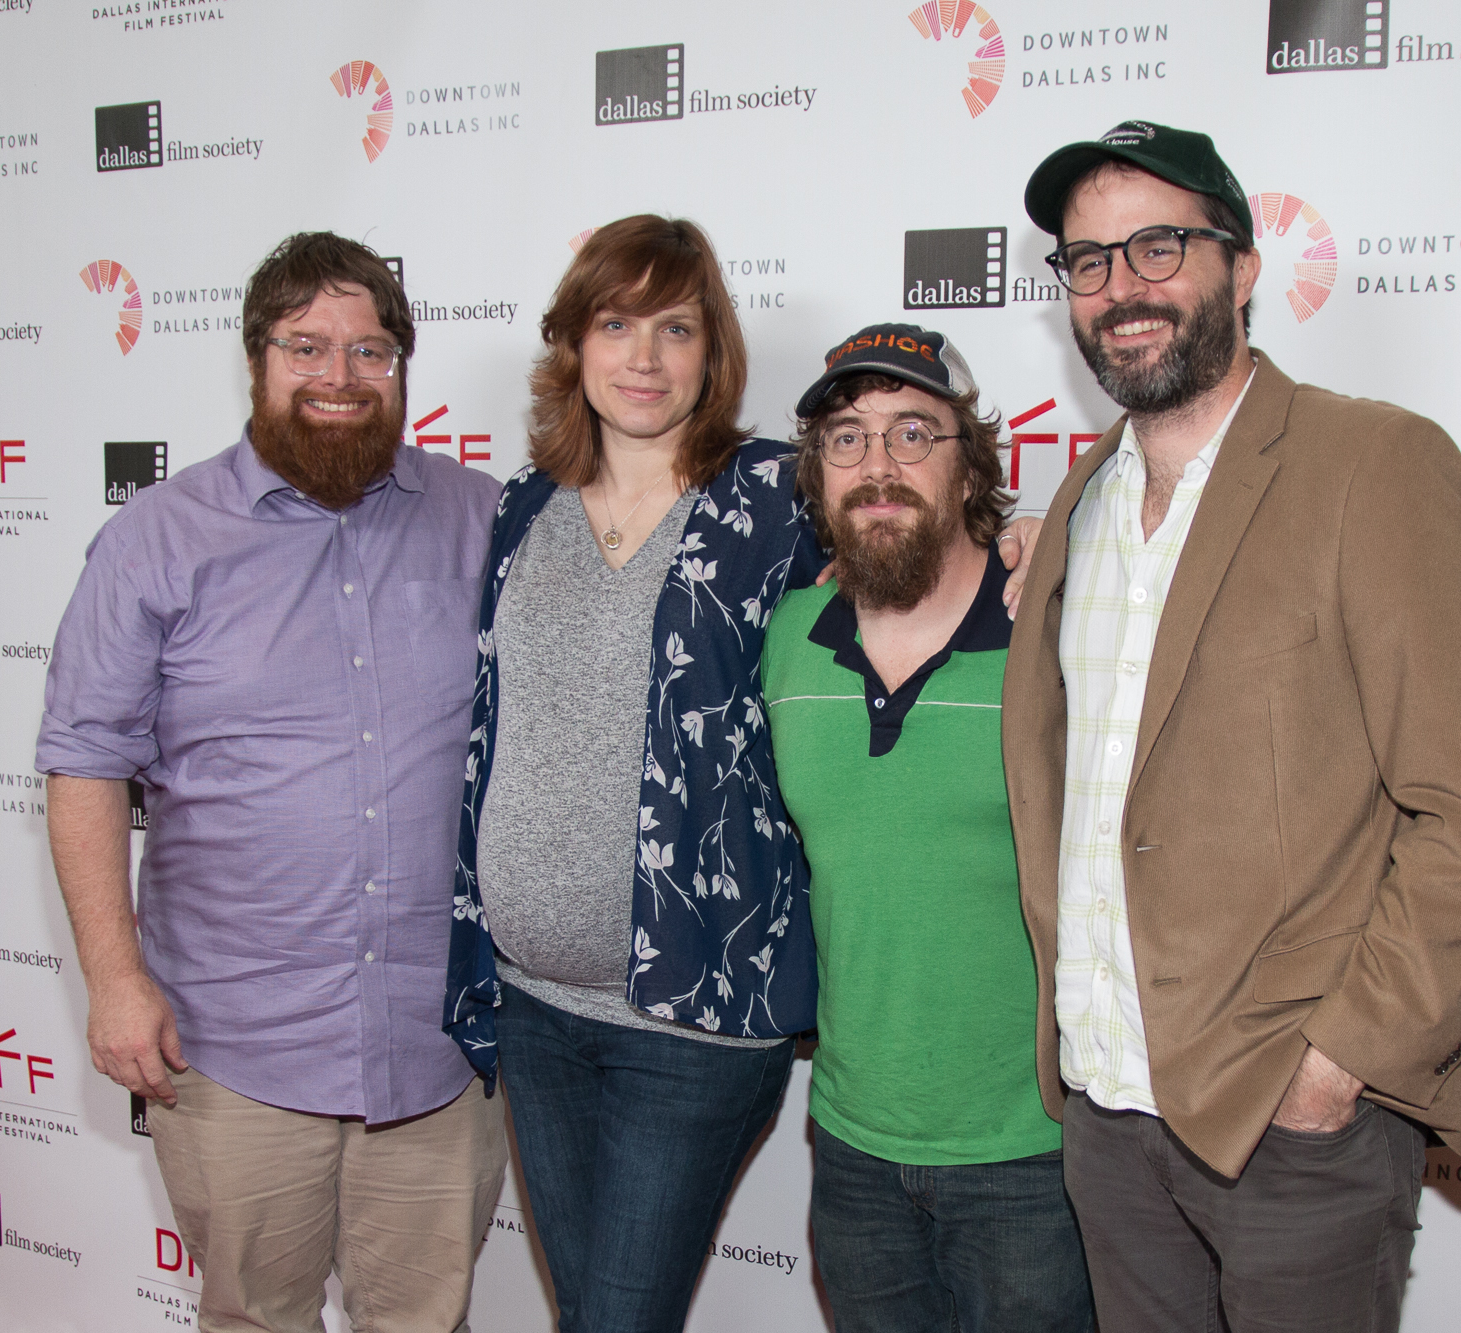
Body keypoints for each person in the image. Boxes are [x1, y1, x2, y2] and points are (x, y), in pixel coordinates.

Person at [440, 220, 1040, 1333]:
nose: (644, 357)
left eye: (676, 328)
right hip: (532, 1001)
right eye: (615, 324)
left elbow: (912, 547)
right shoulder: (523, 505)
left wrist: (1030, 535)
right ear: (572, 346)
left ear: (712, 353)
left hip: (693, 1009)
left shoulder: (777, 496)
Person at [1000, 121, 1461, 1331]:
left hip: (1287, 1124)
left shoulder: (1371, 463)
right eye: (1086, 261)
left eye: (1156, 246)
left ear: (1241, 267)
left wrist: (1338, 1059)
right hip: (1103, 1112)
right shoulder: (1077, 504)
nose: (1119, 288)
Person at [38, 232, 508, 1333]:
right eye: (307, 347)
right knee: (255, 1318)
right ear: (258, 359)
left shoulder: (484, 519)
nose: (339, 378)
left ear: (401, 365)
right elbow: (85, 763)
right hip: (233, 1041)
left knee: (426, 1320)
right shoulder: (157, 540)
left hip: (439, 1043)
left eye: (370, 351)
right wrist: (113, 981)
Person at [761, 324, 1093, 1333]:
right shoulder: (787, 639)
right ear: (816, 474)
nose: (879, 466)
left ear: (969, 466)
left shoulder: (1058, 628)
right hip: (851, 1149)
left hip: (1030, 1158)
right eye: (848, 438)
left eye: (914, 433)